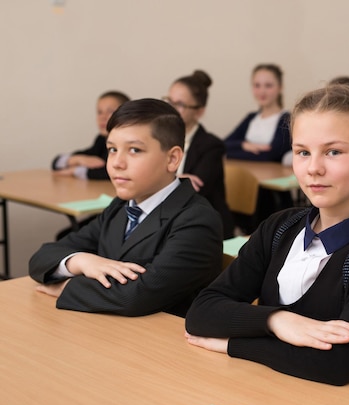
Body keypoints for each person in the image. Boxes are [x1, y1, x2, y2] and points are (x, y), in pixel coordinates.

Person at [184, 84, 349, 405]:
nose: (314, 169)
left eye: (333, 152)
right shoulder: (280, 227)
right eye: (302, 152)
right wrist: (277, 321)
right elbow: (202, 312)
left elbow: (336, 364)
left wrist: (234, 344)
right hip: (276, 395)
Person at [29, 98, 223, 317]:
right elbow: (42, 257)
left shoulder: (197, 220)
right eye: (112, 149)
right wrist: (81, 261)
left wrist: (65, 287)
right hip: (108, 330)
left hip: (160, 343)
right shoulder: (121, 206)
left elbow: (136, 296)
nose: (116, 163)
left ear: (172, 159)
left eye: (134, 150)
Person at [164, 70, 234, 238]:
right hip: (171, 217)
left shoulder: (212, 146)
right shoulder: (162, 139)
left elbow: (192, 191)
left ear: (199, 111)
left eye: (180, 104)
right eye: (169, 101)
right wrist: (177, 180)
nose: (171, 109)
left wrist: (166, 180)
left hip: (204, 224)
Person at [52, 91, 130, 179]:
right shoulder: (101, 140)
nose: (102, 117)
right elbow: (56, 162)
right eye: (99, 112)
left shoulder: (130, 143)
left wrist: (76, 170)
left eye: (110, 111)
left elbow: (113, 172)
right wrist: (76, 159)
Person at [224, 64, 291, 162]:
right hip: (245, 174)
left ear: (280, 88)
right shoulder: (251, 118)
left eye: (268, 86)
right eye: (257, 85)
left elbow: (271, 156)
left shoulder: (286, 119)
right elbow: (222, 145)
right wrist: (244, 145)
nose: (262, 91)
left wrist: (230, 153)